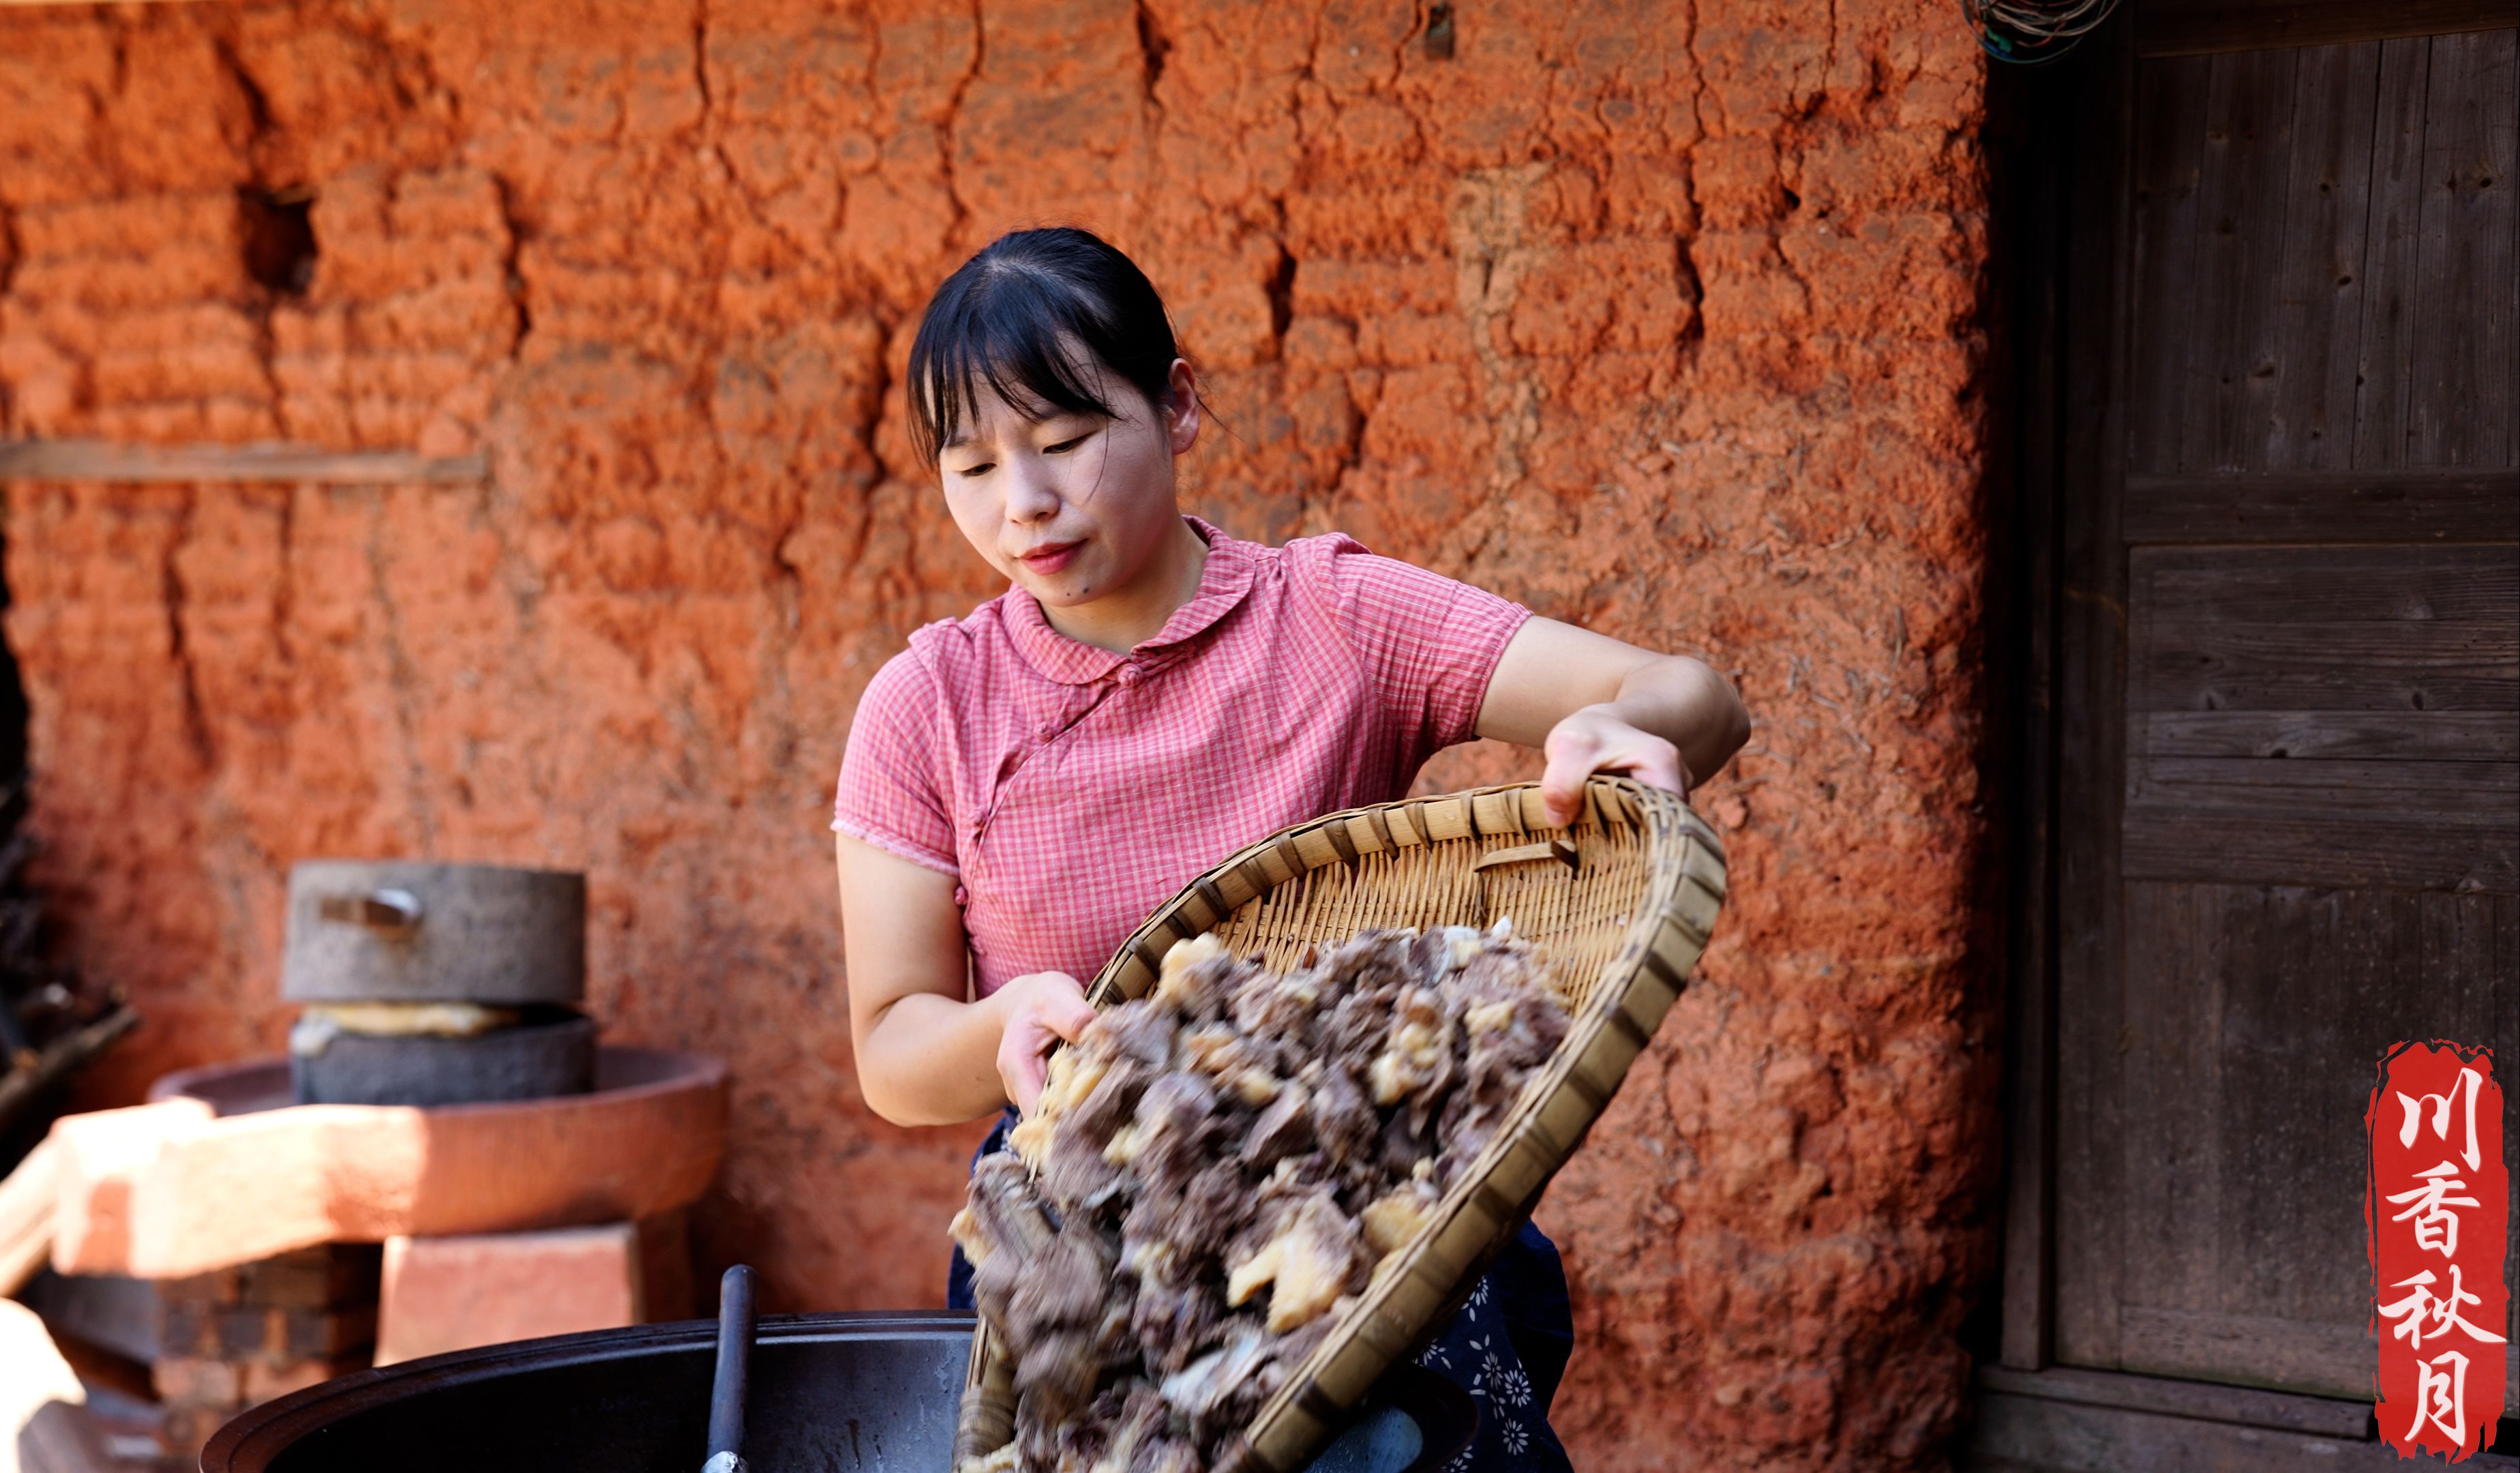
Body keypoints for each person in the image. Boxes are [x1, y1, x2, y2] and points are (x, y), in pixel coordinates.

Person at [833, 226, 1749, 1470]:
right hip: (1086, 1235)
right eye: (974, 465)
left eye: (1061, 443)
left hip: (1365, 1212)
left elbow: (1694, 693)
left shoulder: (1332, 617)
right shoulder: (931, 704)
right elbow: (891, 1044)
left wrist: (1617, 723)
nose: (1023, 505)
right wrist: (995, 1035)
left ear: (1180, 405)